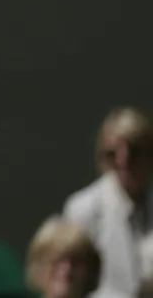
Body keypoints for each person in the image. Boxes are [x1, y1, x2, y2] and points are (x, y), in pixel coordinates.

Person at [63, 107, 153, 298]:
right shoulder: (83, 209)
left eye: (134, 152)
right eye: (112, 154)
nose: (123, 162)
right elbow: (71, 285)